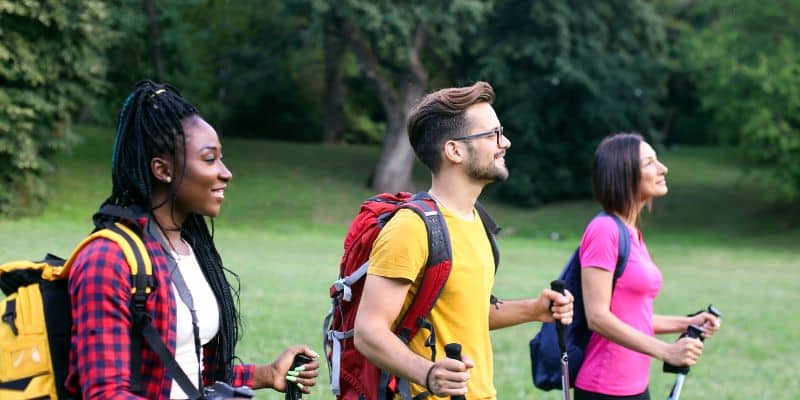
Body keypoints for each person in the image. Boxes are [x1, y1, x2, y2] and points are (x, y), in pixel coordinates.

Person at [65, 80, 319, 399]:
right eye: (210, 159)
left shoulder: (188, 249)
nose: (226, 173)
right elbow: (105, 393)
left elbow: (186, 367)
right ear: (162, 169)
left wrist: (266, 374)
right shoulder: (108, 259)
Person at [353, 81, 574, 399]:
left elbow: (461, 311)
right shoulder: (411, 228)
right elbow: (368, 332)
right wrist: (428, 374)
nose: (505, 142)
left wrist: (533, 310)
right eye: (493, 135)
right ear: (454, 150)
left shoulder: (477, 222)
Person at [575, 133, 722, 400]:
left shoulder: (631, 233)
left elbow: (633, 318)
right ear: (624, 174)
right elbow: (597, 317)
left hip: (636, 386)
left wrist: (688, 322)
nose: (663, 168)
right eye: (650, 162)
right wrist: (665, 351)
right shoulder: (604, 230)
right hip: (604, 387)